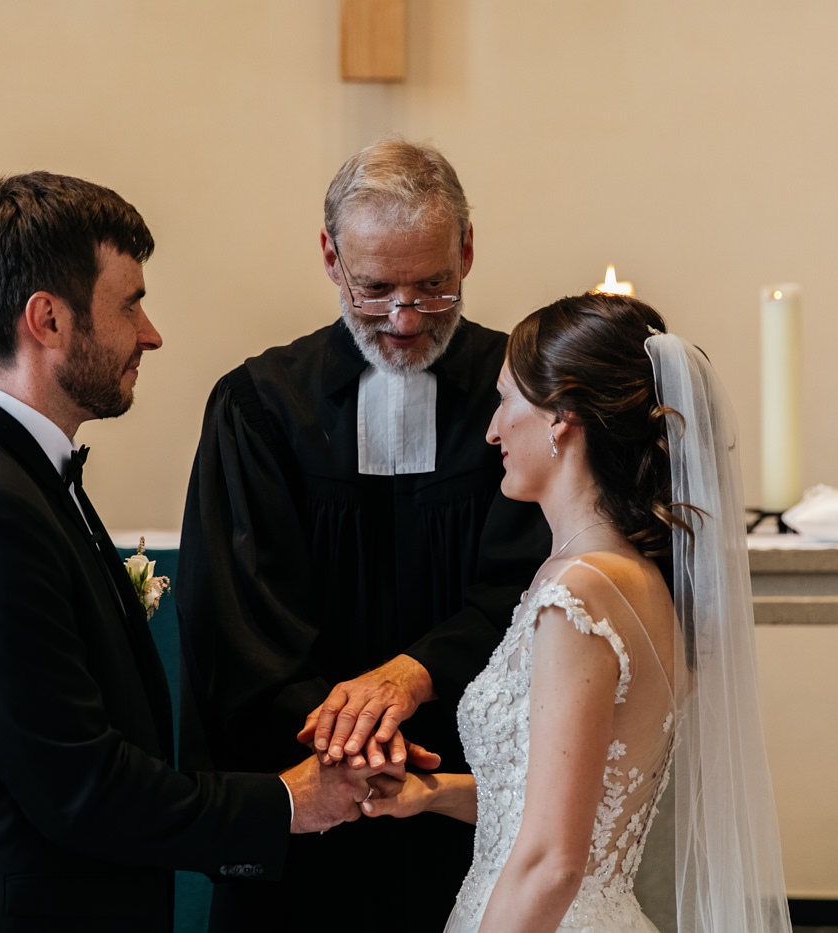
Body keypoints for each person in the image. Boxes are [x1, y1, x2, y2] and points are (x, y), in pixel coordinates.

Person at [0, 172, 378, 932]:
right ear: (47, 319)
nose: (151, 332)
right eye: (129, 302)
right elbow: (78, 784)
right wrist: (288, 801)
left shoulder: (15, 474)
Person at [176, 138, 550, 930]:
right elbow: (239, 619)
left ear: (468, 252)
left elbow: (529, 583)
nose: (405, 318)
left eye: (432, 287)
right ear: (329, 256)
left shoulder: (521, 392)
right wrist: (357, 747)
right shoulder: (260, 405)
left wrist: (412, 676)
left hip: (466, 799)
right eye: (375, 288)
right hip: (309, 798)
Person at [362, 293, 794, 933]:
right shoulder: (637, 578)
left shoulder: (579, 595)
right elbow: (578, 805)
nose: (493, 429)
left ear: (561, 416)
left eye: (507, 399)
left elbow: (555, 864)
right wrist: (435, 794)